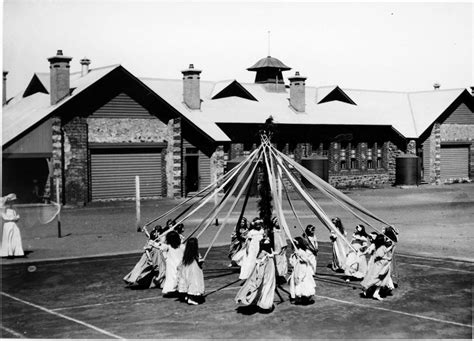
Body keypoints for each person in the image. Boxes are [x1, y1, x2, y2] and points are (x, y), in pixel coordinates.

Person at [235, 238, 276, 312]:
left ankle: (263, 304)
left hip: (268, 273)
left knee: (266, 287)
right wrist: (259, 278)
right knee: (266, 287)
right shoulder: (264, 256)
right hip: (266, 274)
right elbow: (260, 269)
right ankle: (264, 305)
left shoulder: (266, 255)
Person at [360, 234, 395, 300]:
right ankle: (366, 288)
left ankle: (375, 293)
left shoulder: (381, 246)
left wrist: (392, 246)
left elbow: (385, 250)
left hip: (382, 266)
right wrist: (388, 258)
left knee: (381, 280)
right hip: (380, 267)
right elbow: (380, 256)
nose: (385, 239)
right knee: (377, 279)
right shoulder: (381, 248)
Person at [154, 230, 185, 297]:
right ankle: (181, 289)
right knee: (180, 277)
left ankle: (172, 289)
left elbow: (158, 245)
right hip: (180, 264)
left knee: (171, 277)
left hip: (171, 265)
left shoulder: (167, 247)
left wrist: (152, 242)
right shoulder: (182, 246)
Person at [288, 237, 317, 305]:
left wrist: (299, 256)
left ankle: (304, 298)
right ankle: (297, 297)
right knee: (295, 284)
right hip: (296, 270)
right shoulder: (295, 253)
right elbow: (293, 263)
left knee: (303, 283)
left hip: (302, 270)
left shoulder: (301, 252)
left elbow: (305, 261)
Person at [177, 237, 205, 305]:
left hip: (187, 272)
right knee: (194, 284)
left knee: (188, 283)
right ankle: (190, 299)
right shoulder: (196, 254)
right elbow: (199, 262)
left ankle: (187, 296)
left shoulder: (186, 254)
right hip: (194, 273)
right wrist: (202, 260)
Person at [1, 194, 24, 258]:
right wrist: (14, 218)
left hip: (14, 224)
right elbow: (4, 217)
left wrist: (16, 218)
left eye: (14, 201)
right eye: (12, 201)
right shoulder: (3, 208)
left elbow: (17, 217)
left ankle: (17, 252)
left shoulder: (13, 209)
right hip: (8, 224)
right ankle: (7, 253)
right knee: (8, 237)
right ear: (9, 201)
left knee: (16, 236)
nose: (13, 202)